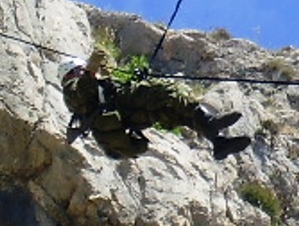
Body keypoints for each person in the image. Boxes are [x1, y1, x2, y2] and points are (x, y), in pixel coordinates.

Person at [58, 57, 251, 160]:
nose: (82, 72)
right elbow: (85, 89)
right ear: (70, 73)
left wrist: (135, 79)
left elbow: (109, 89)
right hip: (122, 108)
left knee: (171, 112)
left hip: (125, 113)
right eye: (79, 70)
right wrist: (91, 68)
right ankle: (210, 122)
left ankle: (218, 142)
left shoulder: (91, 87)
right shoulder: (70, 90)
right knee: (165, 91)